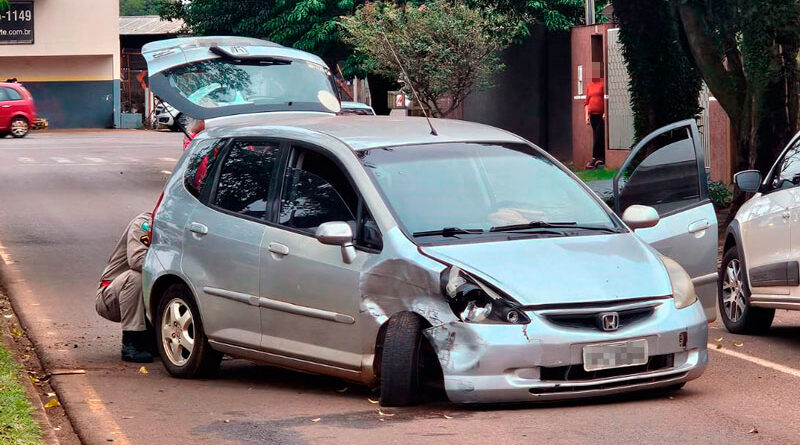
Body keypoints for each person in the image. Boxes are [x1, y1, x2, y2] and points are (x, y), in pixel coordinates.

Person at [95, 212, 153, 363]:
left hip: (146, 298)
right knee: (136, 277)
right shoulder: (145, 223)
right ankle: (131, 342)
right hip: (111, 296)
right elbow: (137, 260)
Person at [584, 63, 606, 170]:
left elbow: (605, 98)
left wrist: (605, 112)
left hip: (601, 115)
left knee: (598, 136)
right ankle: (600, 158)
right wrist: (586, 116)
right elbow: (586, 102)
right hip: (592, 115)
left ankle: (593, 159)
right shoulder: (589, 85)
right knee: (598, 136)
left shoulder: (603, 83)